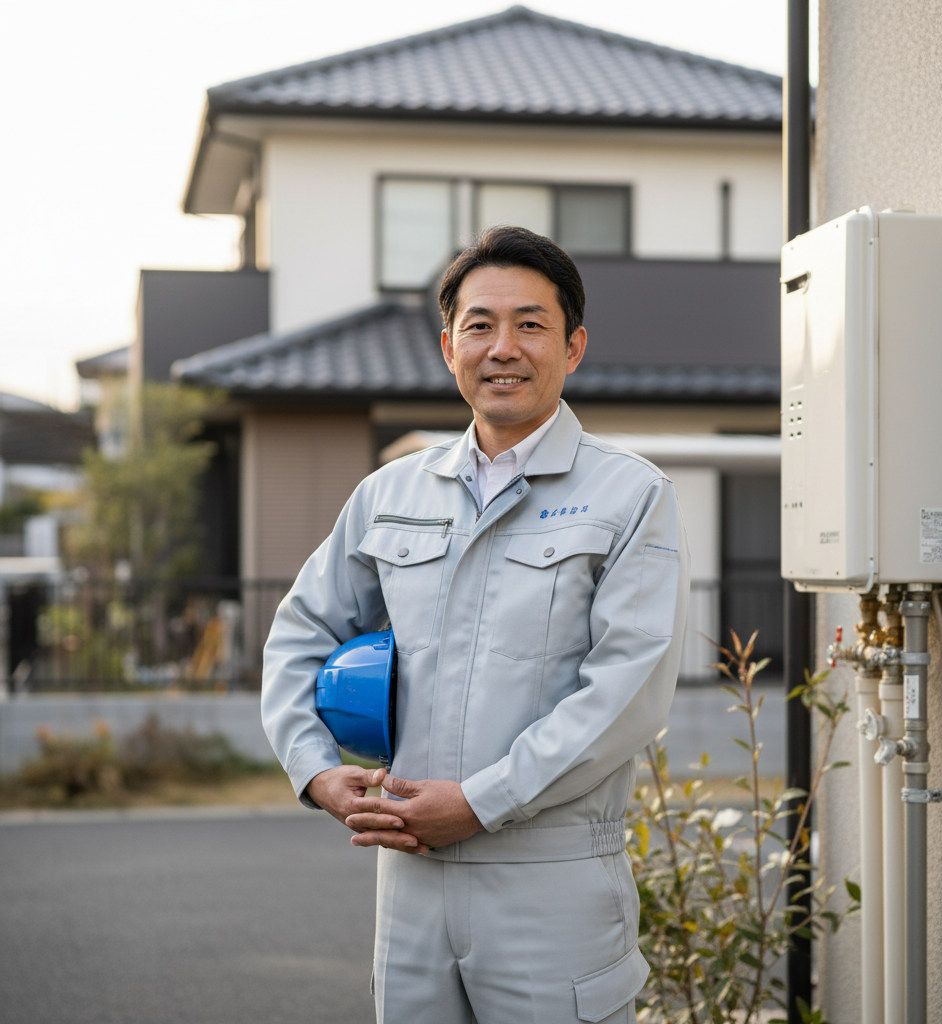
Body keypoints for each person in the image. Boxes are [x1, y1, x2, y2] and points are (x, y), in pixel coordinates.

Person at [261, 226, 690, 1023]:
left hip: (550, 880)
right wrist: (316, 770)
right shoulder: (392, 494)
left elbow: (628, 692)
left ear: (574, 347)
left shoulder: (630, 496)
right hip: (411, 878)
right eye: (480, 325)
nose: (504, 348)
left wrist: (484, 800)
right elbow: (300, 634)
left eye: (531, 324)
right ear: (448, 344)